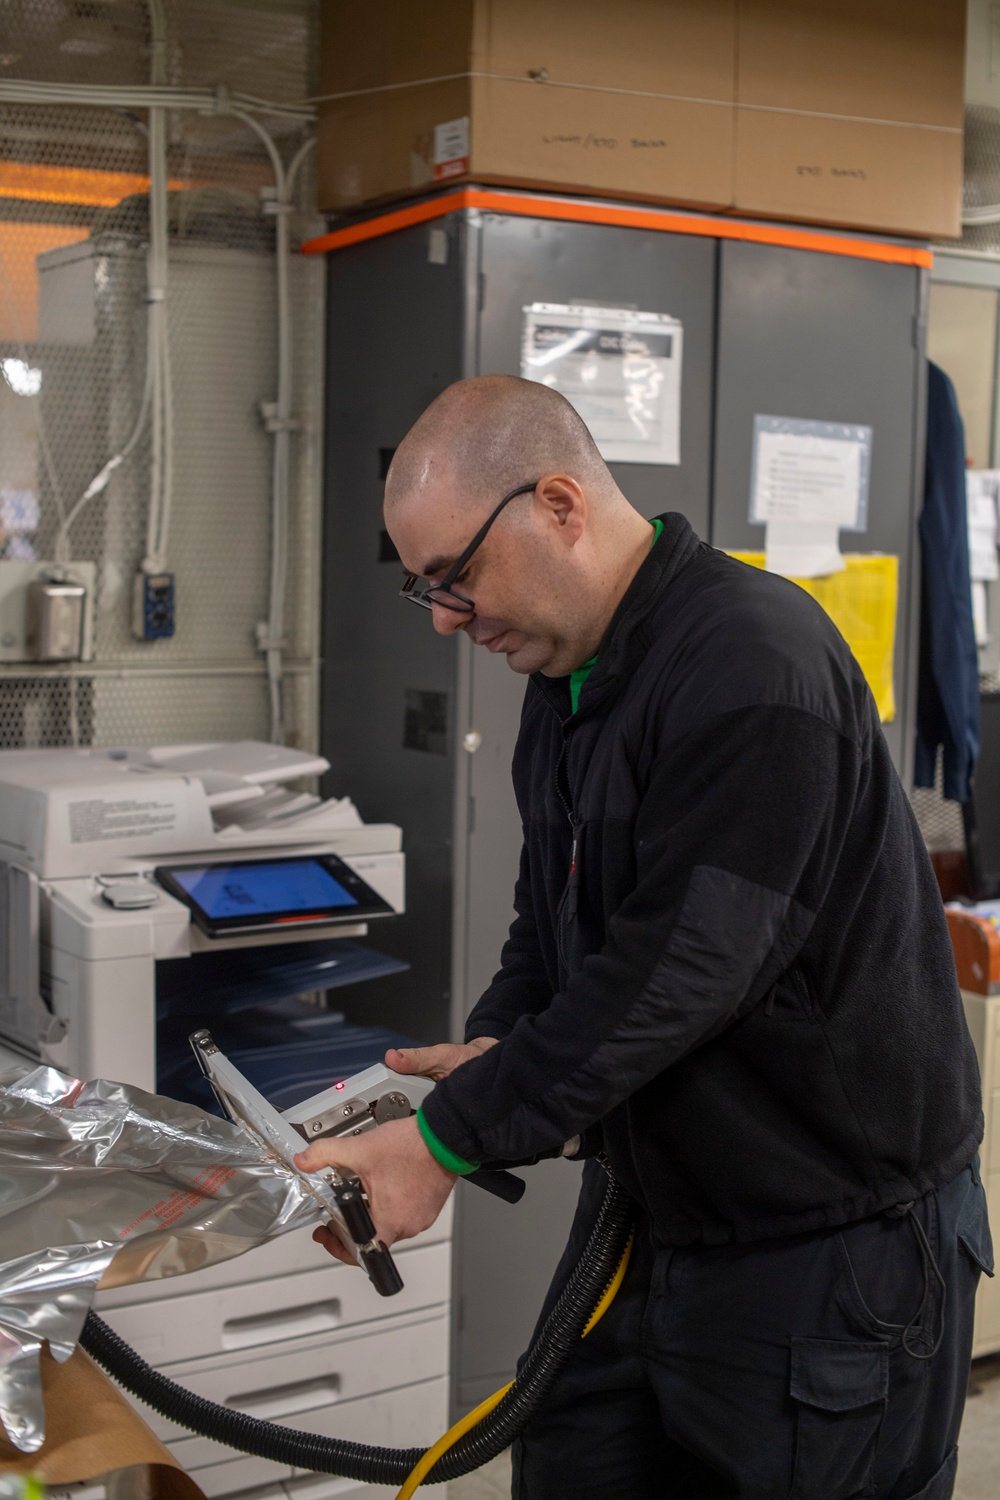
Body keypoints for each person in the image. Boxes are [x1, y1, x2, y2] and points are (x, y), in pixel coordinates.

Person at [295, 375, 992, 1499]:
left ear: (560, 504)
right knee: (570, 1459)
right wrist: (498, 1050)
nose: (443, 621)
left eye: (455, 578)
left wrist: (446, 1141)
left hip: (830, 1250)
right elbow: (557, 919)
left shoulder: (751, 661)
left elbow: (683, 964)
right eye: (423, 591)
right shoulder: (570, 680)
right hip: (660, 1217)